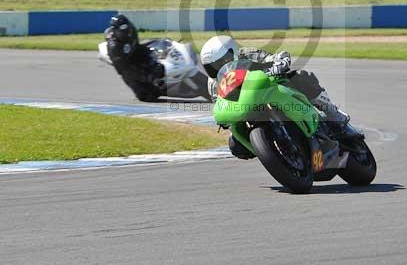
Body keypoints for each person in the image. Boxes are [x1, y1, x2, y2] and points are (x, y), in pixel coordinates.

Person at [200, 35, 350, 160]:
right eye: (211, 67)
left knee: (299, 77)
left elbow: (275, 57)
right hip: (244, 106)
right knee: (235, 146)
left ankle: (333, 113)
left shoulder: (247, 54)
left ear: (232, 52)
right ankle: (274, 153)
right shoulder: (213, 84)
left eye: (221, 63)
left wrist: (280, 63)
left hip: (269, 88)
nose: (217, 69)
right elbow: (219, 103)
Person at [104, 14, 165, 102]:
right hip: (124, 63)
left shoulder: (131, 29)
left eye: (125, 27)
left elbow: (136, 44)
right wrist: (146, 76)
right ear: (115, 31)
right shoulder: (115, 47)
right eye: (121, 29)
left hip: (135, 50)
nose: (124, 31)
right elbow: (124, 69)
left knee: (153, 53)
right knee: (147, 95)